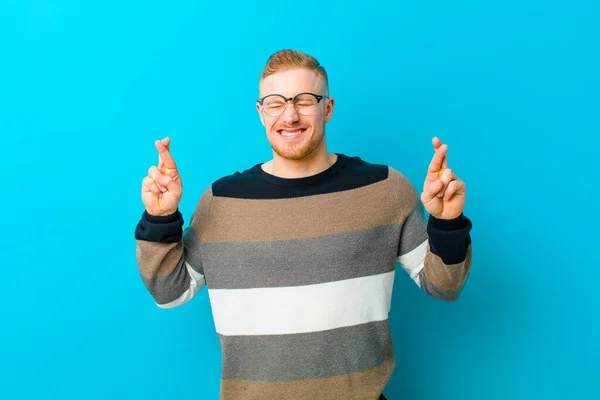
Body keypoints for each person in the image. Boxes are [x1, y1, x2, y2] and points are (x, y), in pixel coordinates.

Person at [134, 49, 473, 400]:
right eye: (276, 102)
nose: (291, 115)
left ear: (328, 108)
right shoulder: (221, 202)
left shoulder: (385, 189)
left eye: (305, 100)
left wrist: (447, 222)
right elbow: (169, 292)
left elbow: (445, 286)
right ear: (261, 113)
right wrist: (160, 219)